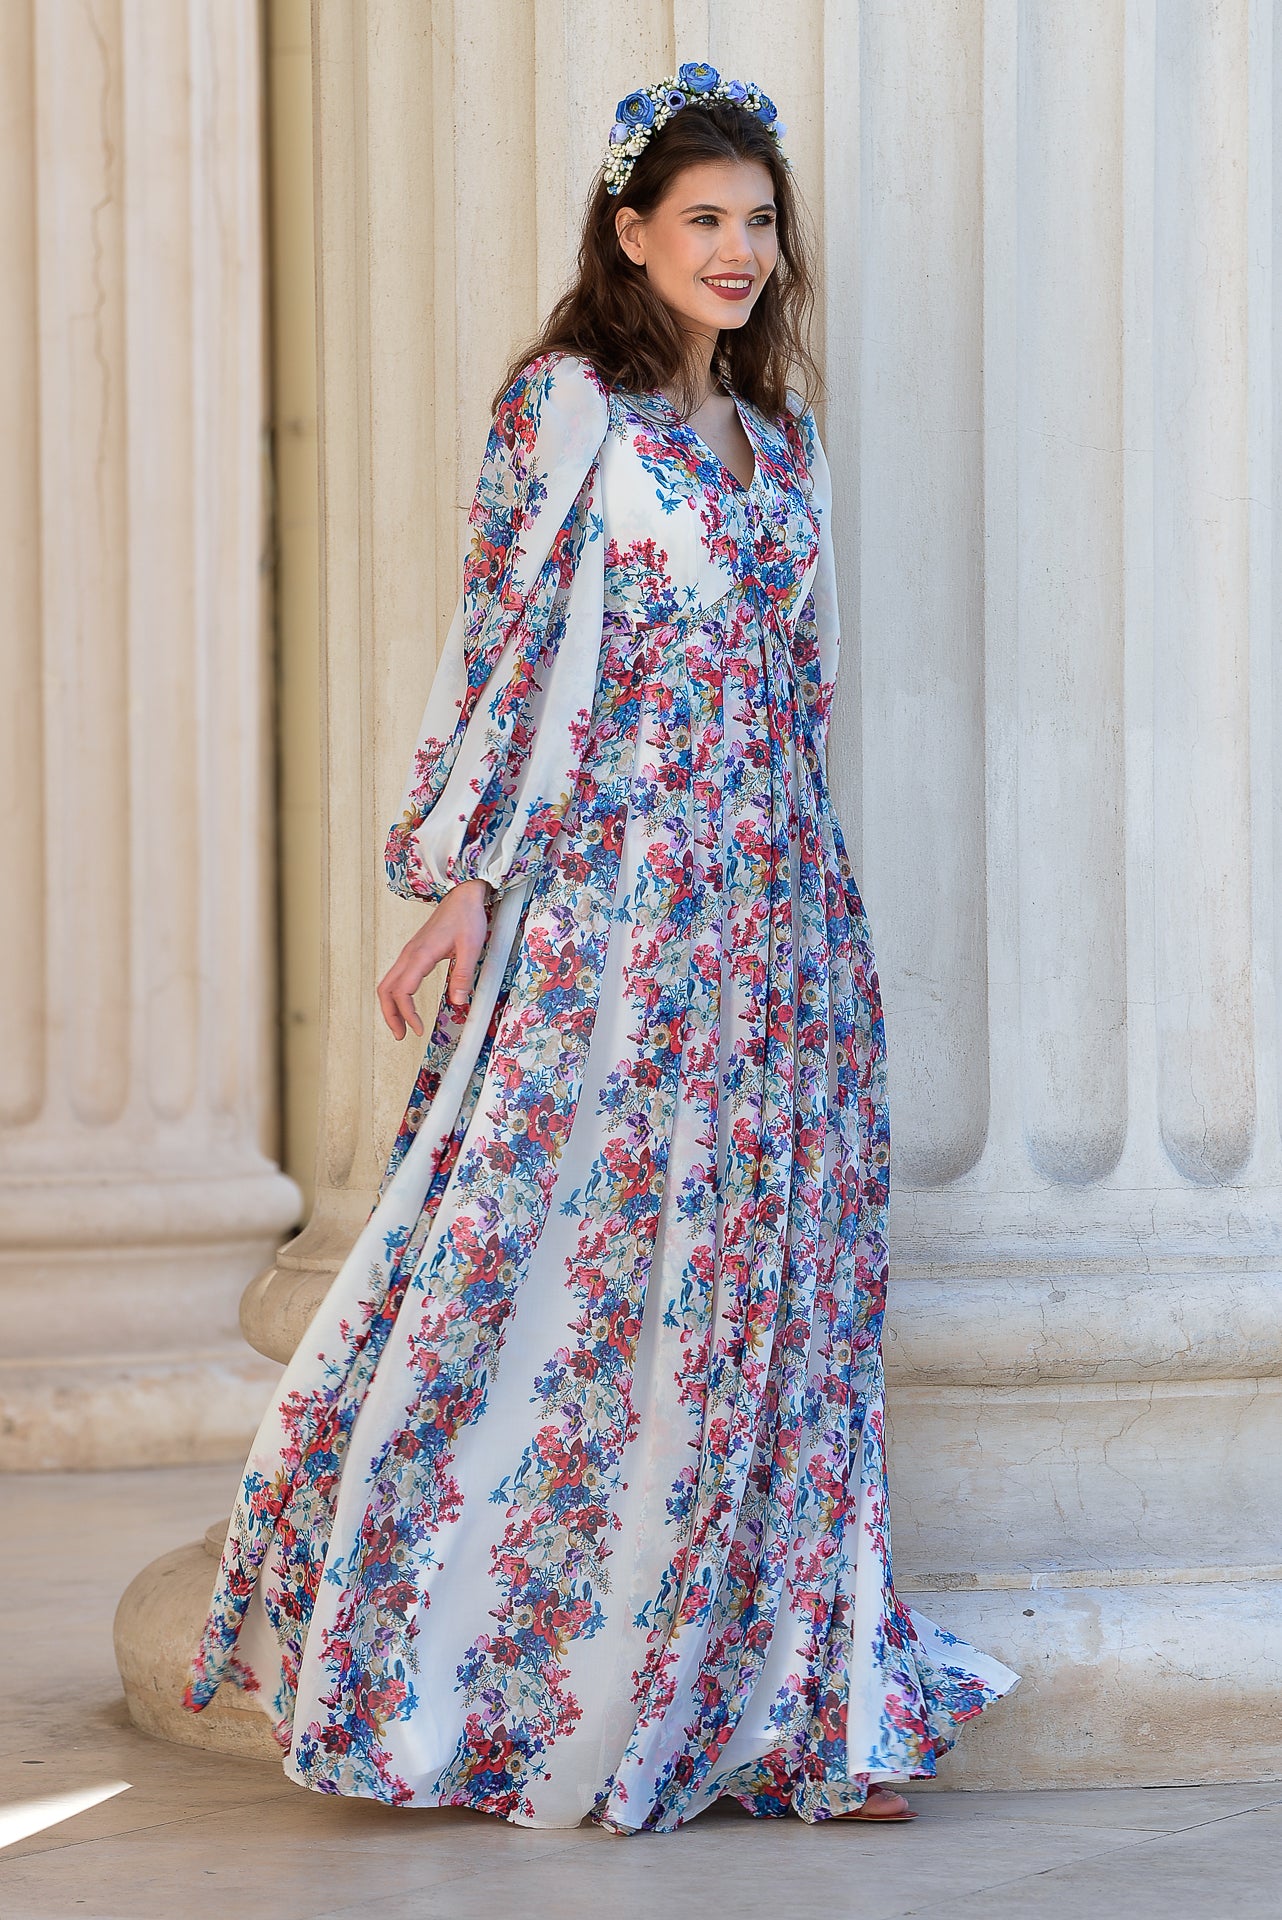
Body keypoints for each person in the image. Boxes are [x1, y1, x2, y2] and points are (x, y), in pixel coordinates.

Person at [184, 63, 1018, 1835]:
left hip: (775, 913)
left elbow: (798, 685)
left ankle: (777, 1708)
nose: (736, 249)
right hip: (611, 907)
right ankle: (481, 1677)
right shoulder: (565, 405)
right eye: (702, 218)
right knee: (566, 1274)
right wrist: (461, 874)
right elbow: (499, 644)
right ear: (628, 235)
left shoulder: (777, 437)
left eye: (758, 221)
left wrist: (808, 906)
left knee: (769, 1303)